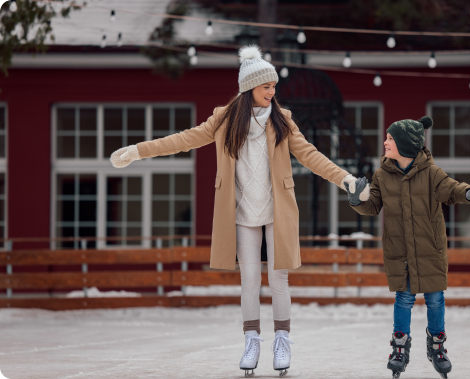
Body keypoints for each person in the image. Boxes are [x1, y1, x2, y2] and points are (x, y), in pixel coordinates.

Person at [109, 45, 365, 377]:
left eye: (274, 87)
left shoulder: (282, 121)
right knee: (248, 281)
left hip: (277, 211)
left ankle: (283, 339)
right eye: (266, 87)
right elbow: (183, 140)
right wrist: (138, 151)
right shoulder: (224, 121)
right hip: (242, 213)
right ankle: (252, 340)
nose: (272, 93)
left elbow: (311, 156)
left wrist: (345, 179)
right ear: (249, 89)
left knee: (279, 278)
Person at [343, 116, 470, 379]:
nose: (385, 142)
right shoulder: (382, 175)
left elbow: (450, 189)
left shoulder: (431, 174)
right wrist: (356, 199)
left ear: (405, 146)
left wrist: (468, 192)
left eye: (390, 139)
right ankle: (399, 347)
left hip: (429, 248)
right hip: (400, 251)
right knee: (404, 298)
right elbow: (372, 205)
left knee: (435, 298)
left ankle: (437, 346)